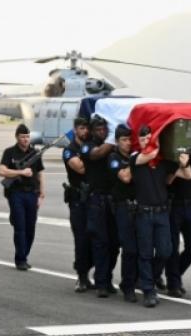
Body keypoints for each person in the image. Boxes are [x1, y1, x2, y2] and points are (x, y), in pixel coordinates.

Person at [131, 125, 191, 308]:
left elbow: (188, 175)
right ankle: (149, 291)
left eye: (148, 138)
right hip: (144, 213)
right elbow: (148, 155)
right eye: (142, 139)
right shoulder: (136, 158)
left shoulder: (164, 162)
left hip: (162, 214)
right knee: (145, 253)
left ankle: (149, 277)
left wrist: (184, 162)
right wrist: (157, 143)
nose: (145, 141)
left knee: (166, 250)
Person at [0, 124, 45, 270]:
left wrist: (42, 193)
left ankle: (24, 253)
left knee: (30, 227)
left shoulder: (35, 153)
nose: (25, 139)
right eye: (22, 137)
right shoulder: (9, 152)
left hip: (32, 194)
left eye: (27, 136)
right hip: (16, 193)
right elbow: (2, 171)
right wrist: (20, 173)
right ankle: (21, 259)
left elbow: (40, 173)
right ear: (17, 137)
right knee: (20, 227)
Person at [83, 115, 118, 297]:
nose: (101, 132)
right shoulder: (88, 146)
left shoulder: (113, 148)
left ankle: (107, 277)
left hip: (112, 200)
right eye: (98, 129)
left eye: (104, 129)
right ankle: (101, 282)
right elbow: (96, 154)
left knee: (114, 244)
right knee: (101, 243)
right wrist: (112, 142)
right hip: (96, 201)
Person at [162, 154, 191, 298]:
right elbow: (167, 181)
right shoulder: (172, 158)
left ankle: (174, 276)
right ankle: (173, 284)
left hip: (190, 204)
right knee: (172, 247)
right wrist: (179, 165)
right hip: (173, 205)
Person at [62, 117, 94, 291]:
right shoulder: (69, 150)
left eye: (86, 128)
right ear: (75, 130)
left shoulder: (91, 146)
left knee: (96, 238)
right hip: (78, 201)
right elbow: (80, 167)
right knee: (81, 239)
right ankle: (82, 277)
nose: (85, 131)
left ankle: (91, 272)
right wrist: (93, 158)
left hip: (93, 199)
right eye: (81, 128)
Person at [108, 125, 138, 302]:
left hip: (139, 207)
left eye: (129, 139)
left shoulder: (136, 156)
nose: (127, 143)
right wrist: (137, 159)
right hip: (122, 207)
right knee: (129, 248)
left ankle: (134, 281)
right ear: (117, 142)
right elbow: (125, 177)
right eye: (124, 140)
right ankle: (128, 286)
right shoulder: (113, 157)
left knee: (142, 248)